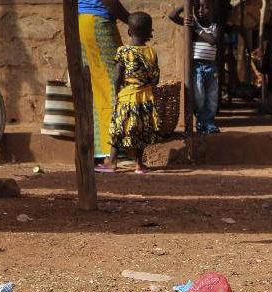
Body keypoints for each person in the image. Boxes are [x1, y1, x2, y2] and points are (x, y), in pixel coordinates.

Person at [78, 0, 130, 170]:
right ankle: (112, 151)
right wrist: (132, 21)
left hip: (86, 22)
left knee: (99, 88)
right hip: (98, 23)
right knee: (115, 84)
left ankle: (100, 150)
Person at [105, 12, 160, 174]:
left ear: (129, 31)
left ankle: (112, 162)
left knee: (119, 128)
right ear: (150, 33)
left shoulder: (123, 51)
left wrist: (117, 93)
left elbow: (116, 77)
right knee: (141, 129)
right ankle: (139, 164)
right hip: (145, 97)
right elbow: (155, 78)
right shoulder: (151, 52)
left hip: (127, 95)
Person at [168, 0, 220, 134]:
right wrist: (186, 6)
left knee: (212, 98)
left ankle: (208, 123)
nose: (201, 10)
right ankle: (201, 121)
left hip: (211, 67)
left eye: (205, 7)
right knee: (199, 96)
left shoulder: (215, 26)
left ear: (212, 10)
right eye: (197, 7)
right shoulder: (190, 24)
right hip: (197, 67)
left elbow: (213, 41)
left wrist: (196, 28)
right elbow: (172, 16)